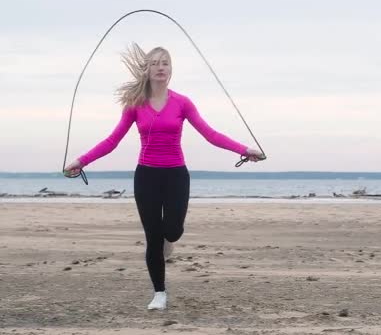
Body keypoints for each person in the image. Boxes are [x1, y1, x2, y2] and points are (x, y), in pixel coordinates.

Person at [63, 43, 264, 310]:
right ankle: (159, 293)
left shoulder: (182, 102)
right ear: (146, 70)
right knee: (153, 238)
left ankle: (170, 241)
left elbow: (210, 134)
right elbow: (113, 140)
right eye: (155, 63)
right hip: (146, 177)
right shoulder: (135, 105)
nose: (161, 67)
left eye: (165, 63)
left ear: (171, 70)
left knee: (173, 230)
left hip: (176, 175)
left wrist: (244, 150)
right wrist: (81, 161)